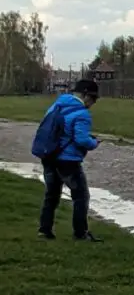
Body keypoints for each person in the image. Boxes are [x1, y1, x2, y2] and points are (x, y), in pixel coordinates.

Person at [31, 76, 101, 241]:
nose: (93, 103)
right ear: (85, 95)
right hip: (68, 161)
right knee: (81, 196)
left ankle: (44, 230)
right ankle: (80, 233)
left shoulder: (56, 105)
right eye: (93, 98)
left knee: (51, 195)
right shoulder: (82, 113)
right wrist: (94, 142)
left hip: (49, 156)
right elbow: (81, 140)